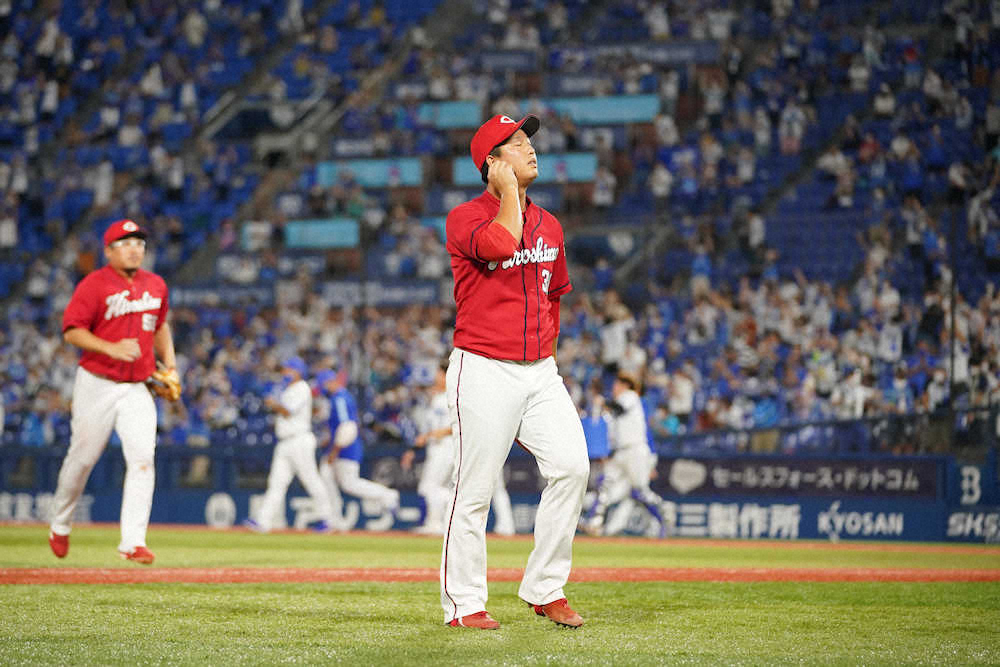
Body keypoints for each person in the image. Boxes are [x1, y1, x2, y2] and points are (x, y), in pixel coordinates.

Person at [440, 114, 590, 630]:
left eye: (530, 142)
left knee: (573, 467)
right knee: (474, 489)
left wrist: (546, 353)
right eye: (518, 144)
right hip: (483, 367)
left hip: (539, 370)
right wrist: (506, 195)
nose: (531, 151)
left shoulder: (550, 224)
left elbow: (556, 294)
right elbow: (502, 244)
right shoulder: (465, 218)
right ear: (493, 164)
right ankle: (464, 604)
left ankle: (545, 587)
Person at [48, 219, 177, 564]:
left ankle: (132, 541)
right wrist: (110, 347)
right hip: (97, 383)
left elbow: (160, 325)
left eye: (139, 242)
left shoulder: (156, 285)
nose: (135, 248)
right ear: (108, 251)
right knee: (82, 460)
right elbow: (72, 331)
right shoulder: (94, 285)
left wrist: (172, 365)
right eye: (125, 242)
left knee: (142, 460)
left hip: (137, 387)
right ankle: (60, 523)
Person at [404, 361, 516, 536]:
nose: (435, 378)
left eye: (439, 374)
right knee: (487, 488)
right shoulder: (450, 395)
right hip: (466, 445)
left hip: (453, 446)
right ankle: (504, 525)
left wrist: (430, 435)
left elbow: (457, 425)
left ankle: (444, 518)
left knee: (437, 487)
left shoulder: (458, 395)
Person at [245, 357, 336, 533]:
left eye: (288, 369)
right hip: (285, 442)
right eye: (285, 369)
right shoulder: (288, 389)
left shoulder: (302, 388)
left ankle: (328, 518)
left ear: (297, 371)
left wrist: (273, 403)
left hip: (299, 440)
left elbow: (287, 411)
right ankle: (263, 521)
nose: (285, 372)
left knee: (311, 480)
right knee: (276, 482)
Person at [581, 372, 670, 538]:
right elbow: (614, 431)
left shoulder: (630, 396)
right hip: (621, 453)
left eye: (616, 385)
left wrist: (603, 402)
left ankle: (663, 515)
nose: (614, 388)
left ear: (624, 385)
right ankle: (595, 523)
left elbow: (618, 408)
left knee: (640, 491)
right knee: (605, 485)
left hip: (635, 451)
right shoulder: (616, 412)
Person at [317, 368, 400, 527]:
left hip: (345, 448)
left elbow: (347, 428)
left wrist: (334, 451)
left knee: (348, 483)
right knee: (327, 477)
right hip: (343, 446)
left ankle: (387, 496)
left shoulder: (339, 398)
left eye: (324, 384)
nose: (324, 388)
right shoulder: (343, 396)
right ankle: (332, 519)